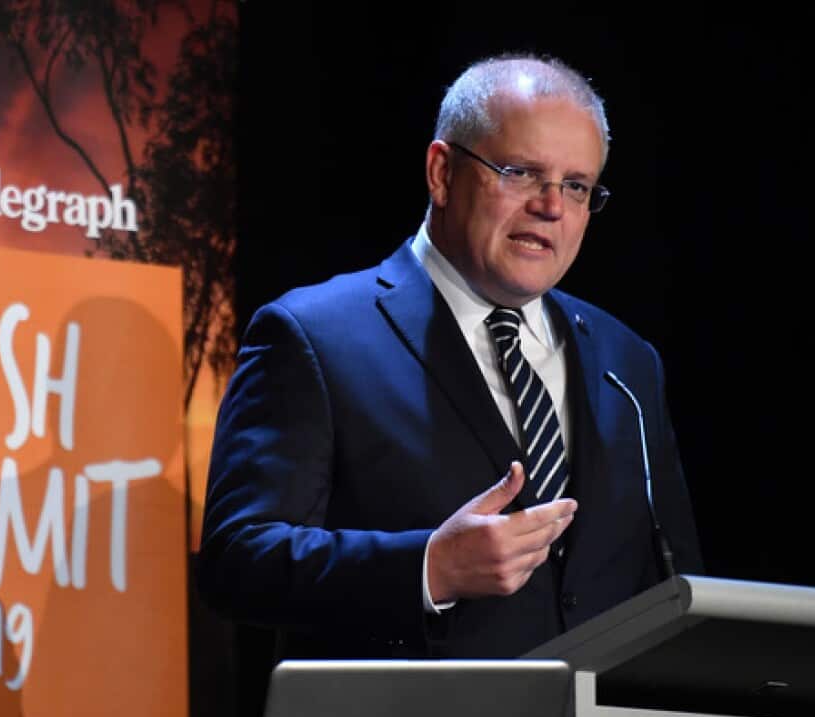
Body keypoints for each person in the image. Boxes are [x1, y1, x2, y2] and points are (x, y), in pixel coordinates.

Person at [197, 53, 703, 661]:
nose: (551, 206)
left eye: (576, 186)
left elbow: (675, 584)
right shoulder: (314, 336)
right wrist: (429, 567)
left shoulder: (627, 362)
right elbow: (238, 561)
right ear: (441, 173)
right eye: (521, 172)